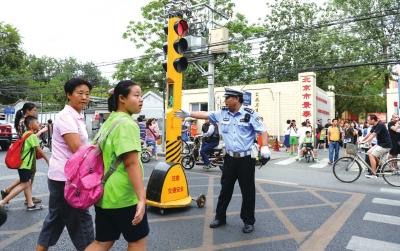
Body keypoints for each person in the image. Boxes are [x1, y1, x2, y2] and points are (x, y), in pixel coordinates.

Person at [176, 88, 270, 234]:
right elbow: (206, 114)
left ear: (237, 99)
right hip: (229, 158)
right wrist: (189, 113)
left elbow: (262, 130)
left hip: (246, 159)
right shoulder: (223, 113)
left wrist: (264, 147)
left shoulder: (249, 114)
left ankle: (248, 221)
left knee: (248, 191)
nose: (225, 100)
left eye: (228, 97)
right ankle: (220, 217)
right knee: (225, 189)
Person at [85, 80, 148, 251]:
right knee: (137, 241)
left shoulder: (110, 121)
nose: (141, 99)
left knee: (102, 242)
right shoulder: (127, 124)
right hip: (124, 196)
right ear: (122, 98)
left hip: (104, 194)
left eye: (141, 95)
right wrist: (141, 198)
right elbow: (131, 162)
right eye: (136, 95)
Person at [36, 78, 94, 251]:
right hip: (66, 178)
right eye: (80, 93)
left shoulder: (76, 115)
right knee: (81, 220)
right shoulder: (66, 116)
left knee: (55, 219)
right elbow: (77, 147)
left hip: (62, 176)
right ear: (68, 95)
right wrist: (98, 149)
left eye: (87, 94)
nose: (84, 97)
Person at [2, 102, 46, 206]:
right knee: (27, 178)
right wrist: (40, 131)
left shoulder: (25, 121)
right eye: (34, 110)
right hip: (26, 154)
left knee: (26, 177)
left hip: (27, 153)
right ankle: (28, 200)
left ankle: (8, 191)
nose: (36, 112)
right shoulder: (24, 122)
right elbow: (28, 137)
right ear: (28, 111)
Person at [360, 114, 392, 178]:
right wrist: (361, 140)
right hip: (380, 144)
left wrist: (365, 142)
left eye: (368, 120)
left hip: (385, 145)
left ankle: (374, 174)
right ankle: (380, 165)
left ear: (373, 120)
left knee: (371, 155)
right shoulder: (374, 125)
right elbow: (369, 134)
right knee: (369, 152)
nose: (367, 121)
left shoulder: (380, 125)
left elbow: (373, 135)